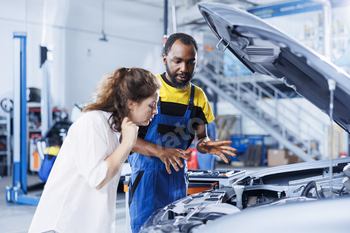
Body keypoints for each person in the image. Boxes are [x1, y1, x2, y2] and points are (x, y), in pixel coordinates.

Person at [28, 67, 161, 233]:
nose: (155, 111)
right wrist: (127, 143)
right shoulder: (93, 123)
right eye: (151, 105)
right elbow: (98, 178)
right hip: (62, 226)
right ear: (131, 103)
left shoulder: (115, 129)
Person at [128, 32, 237, 233]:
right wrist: (160, 151)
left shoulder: (198, 97)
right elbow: (126, 139)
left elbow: (201, 139)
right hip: (146, 180)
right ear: (164, 59)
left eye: (190, 62)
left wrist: (205, 144)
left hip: (177, 181)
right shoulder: (146, 89)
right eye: (177, 61)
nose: (184, 69)